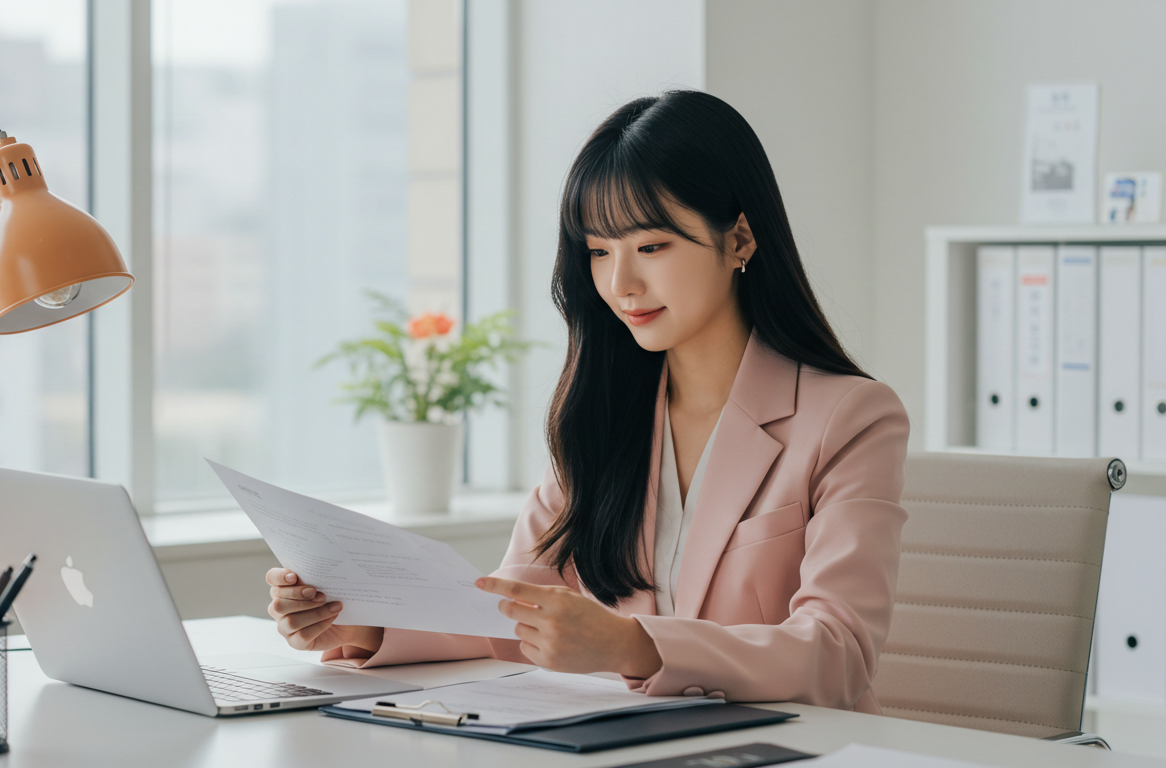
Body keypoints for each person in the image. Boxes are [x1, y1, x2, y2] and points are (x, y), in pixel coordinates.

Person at [264, 90, 909, 713]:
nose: (620, 284)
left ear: (739, 238)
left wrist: (634, 647)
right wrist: (364, 624)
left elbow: (839, 652)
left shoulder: (849, 418)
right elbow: (518, 609)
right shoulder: (604, 418)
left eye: (651, 246)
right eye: (599, 252)